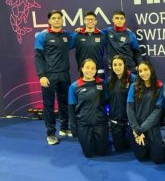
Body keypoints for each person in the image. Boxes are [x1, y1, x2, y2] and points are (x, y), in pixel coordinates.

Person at [34, 10, 74, 145]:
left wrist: (81, 30)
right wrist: (41, 75)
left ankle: (64, 128)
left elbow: (79, 37)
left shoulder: (67, 36)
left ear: (62, 20)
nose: (57, 20)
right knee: (49, 105)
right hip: (49, 76)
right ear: (49, 21)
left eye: (59, 18)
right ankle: (51, 133)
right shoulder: (42, 36)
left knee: (64, 103)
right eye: (54, 18)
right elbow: (38, 57)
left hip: (64, 74)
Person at [68, 59, 109, 158]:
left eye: (93, 68)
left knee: (102, 153)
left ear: (96, 70)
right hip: (83, 125)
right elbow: (71, 109)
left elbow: (107, 101)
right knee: (88, 154)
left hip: (100, 123)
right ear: (82, 69)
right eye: (87, 67)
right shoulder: (74, 86)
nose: (90, 70)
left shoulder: (102, 83)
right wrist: (73, 128)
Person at [127, 61, 165, 164]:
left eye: (146, 69)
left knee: (158, 159)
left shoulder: (159, 86)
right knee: (142, 157)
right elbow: (130, 109)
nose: (143, 73)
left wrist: (141, 129)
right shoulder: (133, 87)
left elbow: (157, 111)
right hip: (137, 128)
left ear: (151, 70)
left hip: (152, 128)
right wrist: (136, 129)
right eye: (140, 71)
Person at [108, 55, 136, 152]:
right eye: (115, 65)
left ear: (124, 65)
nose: (117, 67)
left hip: (131, 123)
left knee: (135, 148)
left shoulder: (134, 79)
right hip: (116, 122)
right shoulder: (109, 81)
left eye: (120, 64)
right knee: (120, 149)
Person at [72, 11, 107, 79]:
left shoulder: (102, 35)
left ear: (96, 21)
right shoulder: (77, 35)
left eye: (92, 19)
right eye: (88, 19)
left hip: (99, 71)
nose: (90, 21)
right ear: (84, 21)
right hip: (84, 71)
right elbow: (67, 46)